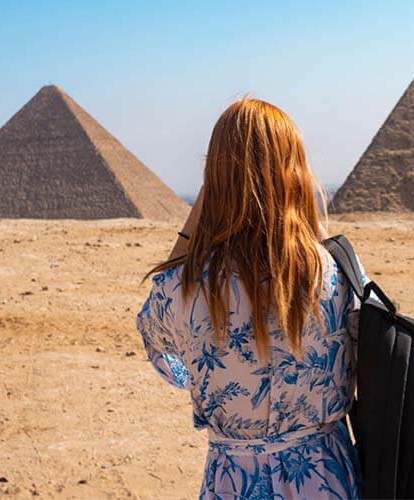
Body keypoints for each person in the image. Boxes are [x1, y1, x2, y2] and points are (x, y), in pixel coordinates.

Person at [136, 98, 363, 499]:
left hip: (233, 483)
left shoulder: (179, 289)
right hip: (327, 480)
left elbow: (169, 362)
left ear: (215, 178)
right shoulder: (338, 273)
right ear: (294, 173)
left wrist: (194, 226)